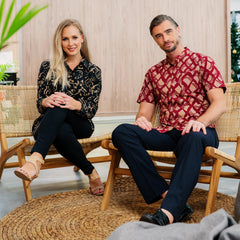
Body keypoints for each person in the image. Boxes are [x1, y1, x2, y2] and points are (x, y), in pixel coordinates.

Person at [112, 14, 226, 225]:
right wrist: (142, 121)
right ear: (155, 40)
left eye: (168, 31)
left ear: (178, 30)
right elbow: (144, 113)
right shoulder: (153, 73)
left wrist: (200, 121)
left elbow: (219, 103)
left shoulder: (203, 62)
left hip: (200, 133)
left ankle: (168, 213)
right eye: (158, 35)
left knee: (192, 136)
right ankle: (168, 196)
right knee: (122, 132)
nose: (165, 38)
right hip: (168, 132)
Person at [14, 19, 104, 196]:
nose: (70, 43)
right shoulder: (48, 67)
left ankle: (36, 159)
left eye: (74, 37)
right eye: (65, 39)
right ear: (59, 42)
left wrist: (74, 104)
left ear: (82, 38)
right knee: (60, 124)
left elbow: (91, 109)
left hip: (81, 124)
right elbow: (40, 102)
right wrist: (46, 101)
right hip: (49, 124)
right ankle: (91, 173)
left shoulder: (93, 71)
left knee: (62, 101)